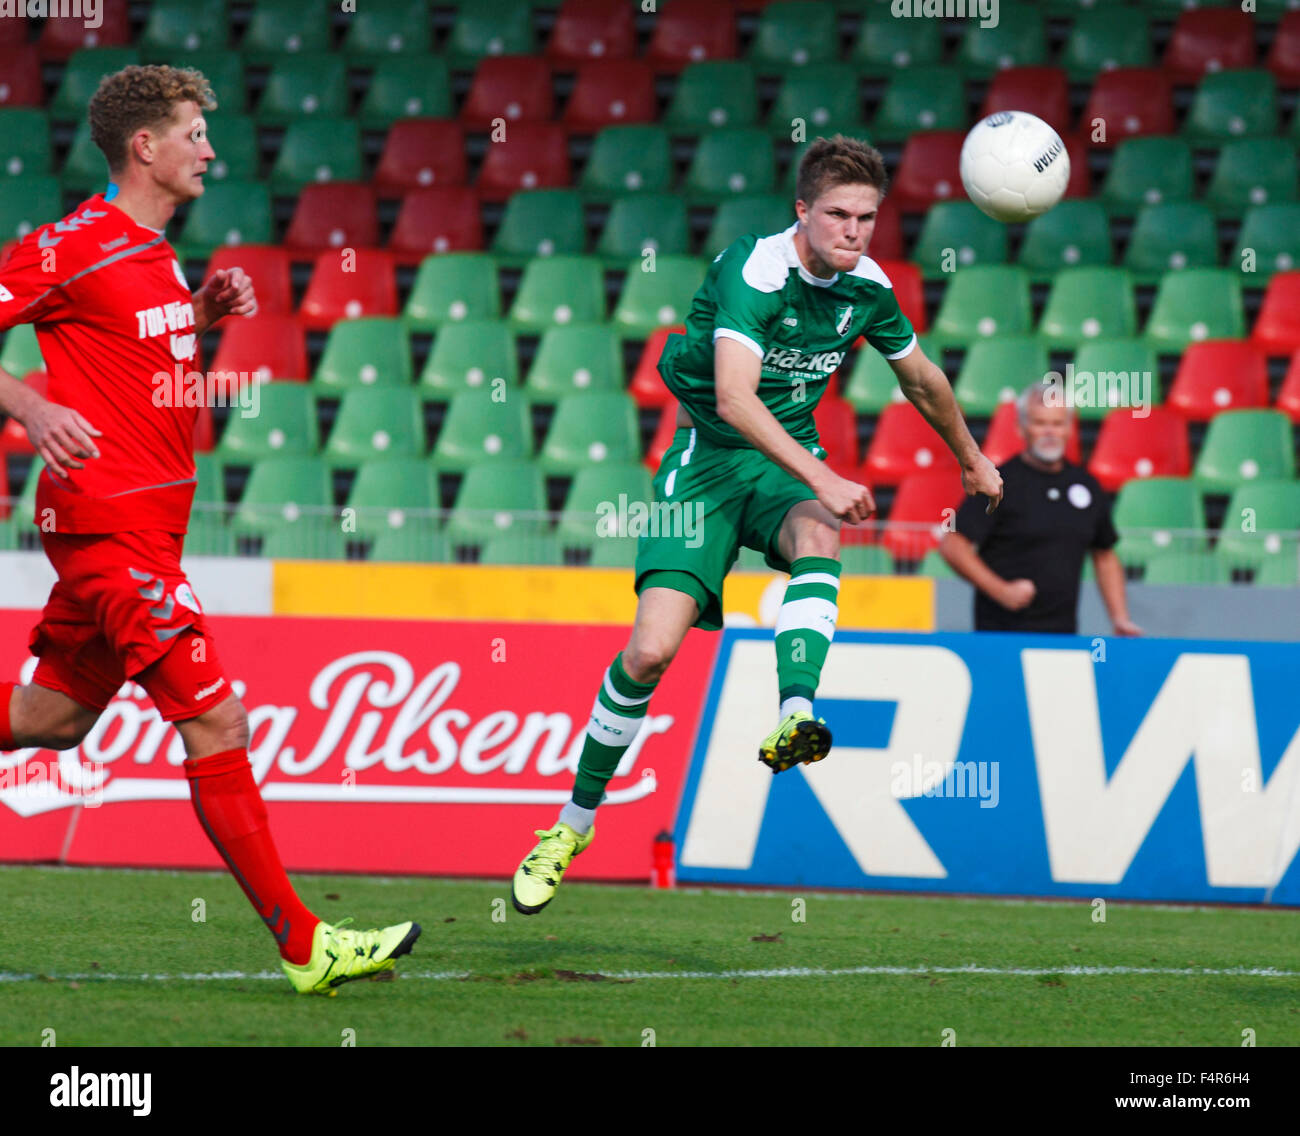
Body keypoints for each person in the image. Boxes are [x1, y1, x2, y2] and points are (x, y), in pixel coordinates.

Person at [0, 65, 420, 995]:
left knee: (53, 719)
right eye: (195, 133)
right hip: (110, 530)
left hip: (142, 529)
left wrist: (197, 317)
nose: (212, 150)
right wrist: (27, 402)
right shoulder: (73, 244)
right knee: (217, 719)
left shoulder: (154, 253)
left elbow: (135, 363)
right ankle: (307, 945)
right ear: (144, 146)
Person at [510, 134, 1004, 915]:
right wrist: (826, 473)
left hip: (783, 466)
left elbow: (922, 378)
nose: (854, 231)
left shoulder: (868, 288)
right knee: (648, 653)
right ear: (802, 212)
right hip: (706, 462)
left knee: (820, 532)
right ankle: (572, 826)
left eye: (867, 218)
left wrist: (971, 459)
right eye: (838, 214)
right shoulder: (755, 270)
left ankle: (795, 712)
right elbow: (736, 399)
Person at [941, 379, 1142, 636]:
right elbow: (953, 546)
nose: (1049, 431)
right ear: (1021, 428)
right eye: (1040, 423)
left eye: (1057, 423)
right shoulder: (997, 483)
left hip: (1063, 637)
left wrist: (1120, 619)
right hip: (1001, 634)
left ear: (1070, 428)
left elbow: (1104, 555)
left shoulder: (1087, 485)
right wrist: (1000, 590)